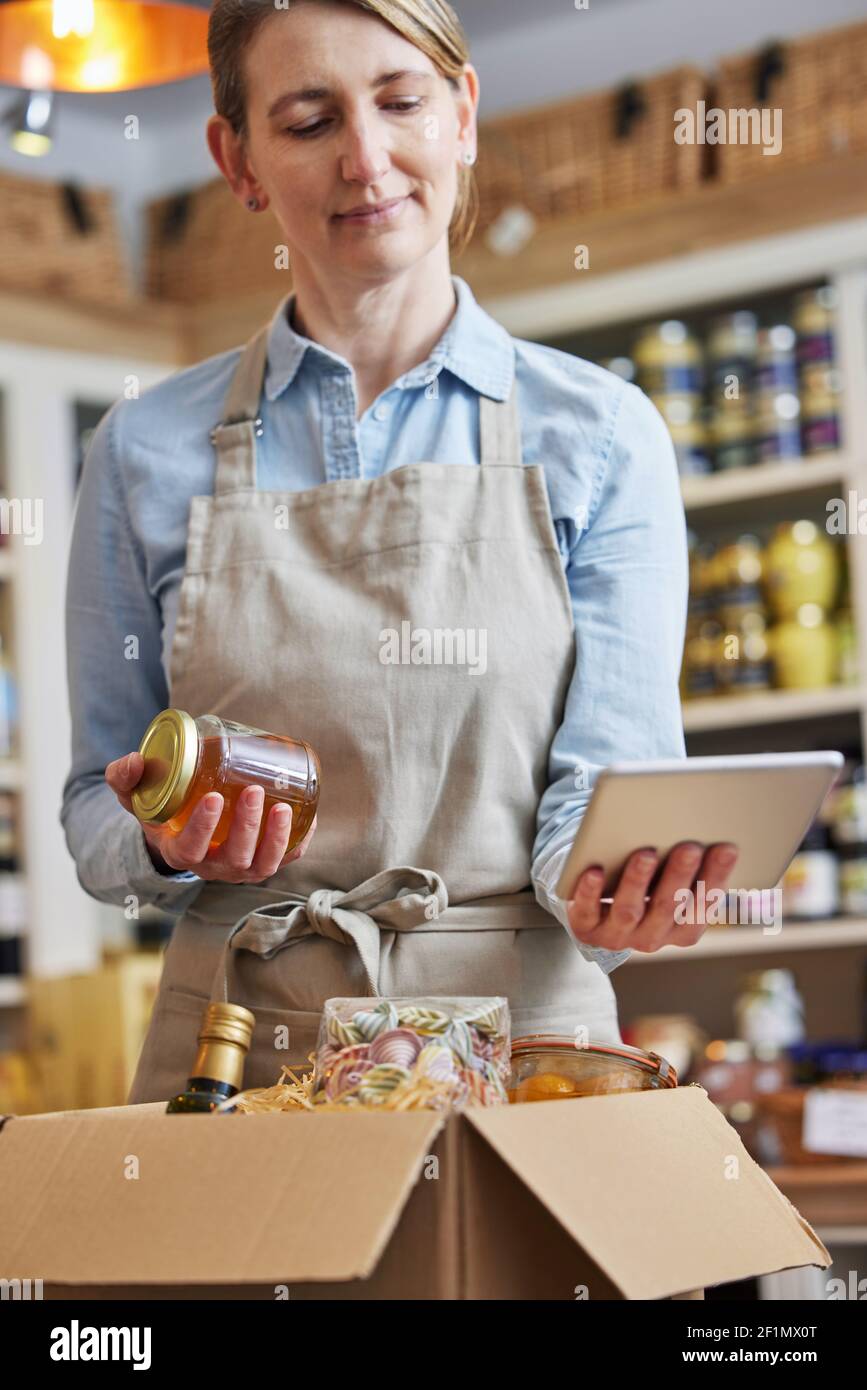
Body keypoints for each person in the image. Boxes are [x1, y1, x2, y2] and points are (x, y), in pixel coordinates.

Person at [61, 0, 738, 1104]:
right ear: (239, 159)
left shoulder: (603, 436)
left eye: (401, 101)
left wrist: (617, 886)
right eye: (309, 118)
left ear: (464, 115)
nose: (366, 160)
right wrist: (170, 841)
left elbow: (604, 790)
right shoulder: (143, 448)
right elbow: (95, 800)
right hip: (239, 1044)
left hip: (528, 1049)